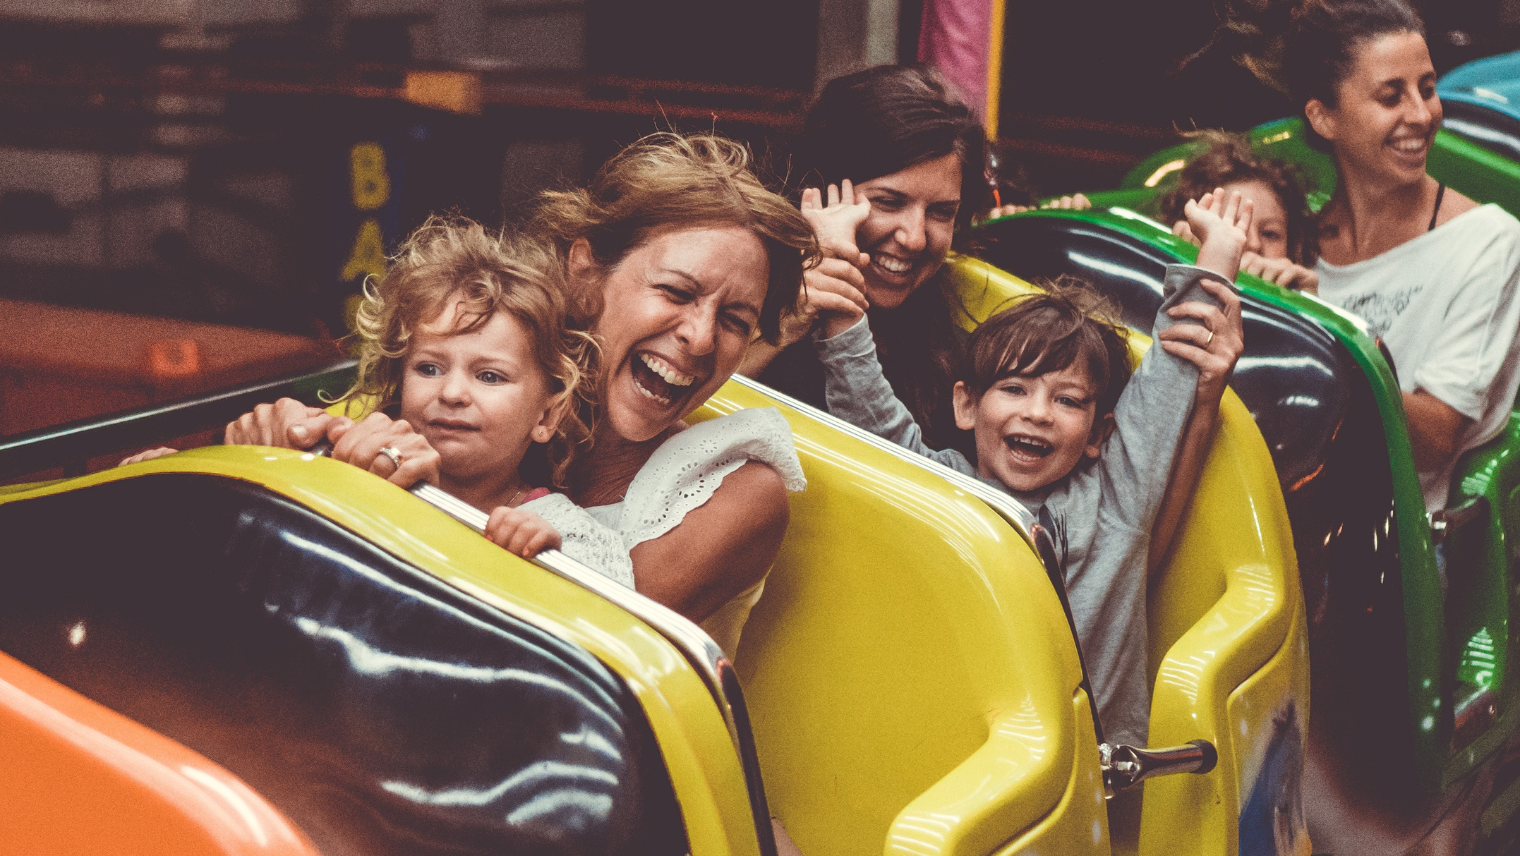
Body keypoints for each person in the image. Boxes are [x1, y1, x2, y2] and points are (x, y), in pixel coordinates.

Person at [219, 133, 817, 663]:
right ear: (586, 273)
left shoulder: (737, 494)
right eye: (676, 292)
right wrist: (276, 451)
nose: (701, 337)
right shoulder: (483, 401)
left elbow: (558, 659)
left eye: (735, 321)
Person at [805, 187, 1250, 747]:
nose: (1038, 413)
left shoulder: (1113, 501)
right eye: (1014, 388)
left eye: (1068, 400)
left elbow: (1170, 376)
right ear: (966, 405)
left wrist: (1219, 253)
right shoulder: (941, 486)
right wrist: (836, 270)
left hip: (1088, 775)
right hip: (973, 753)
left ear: (1098, 435)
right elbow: (867, 406)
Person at [123, 217, 630, 575]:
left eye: (490, 376)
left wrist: (548, 568)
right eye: (428, 368)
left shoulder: (563, 532)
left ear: (546, 415)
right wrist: (199, 484)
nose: (453, 392)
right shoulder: (348, 469)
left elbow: (612, 626)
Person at [1285, 0, 1520, 514]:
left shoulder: (1489, 242)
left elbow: (1434, 441)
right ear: (1324, 117)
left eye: (1428, 89)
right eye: (1391, 96)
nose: (1421, 114)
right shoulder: (1294, 238)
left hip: (1389, 536)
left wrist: (1318, 327)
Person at [739, 64, 992, 454]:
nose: (914, 238)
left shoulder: (961, 354)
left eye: (941, 212)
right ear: (819, 192)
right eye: (888, 202)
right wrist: (782, 328)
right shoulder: (732, 292)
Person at [1160, 130, 1321, 292]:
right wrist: (1186, 260)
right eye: (1232, 227)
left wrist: (1305, 300)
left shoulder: (1301, 289)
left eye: (1270, 234)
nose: (1254, 244)